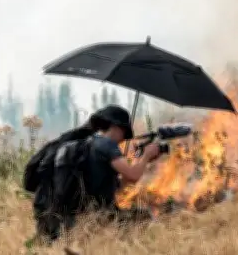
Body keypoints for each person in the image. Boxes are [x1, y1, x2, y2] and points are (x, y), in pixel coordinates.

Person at [33, 105, 161, 244]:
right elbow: (133, 175)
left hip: (66, 218)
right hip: (96, 217)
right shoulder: (107, 145)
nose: (123, 139)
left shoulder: (85, 146)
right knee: (145, 216)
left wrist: (139, 161)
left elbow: (114, 186)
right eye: (124, 133)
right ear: (116, 127)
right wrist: (147, 155)